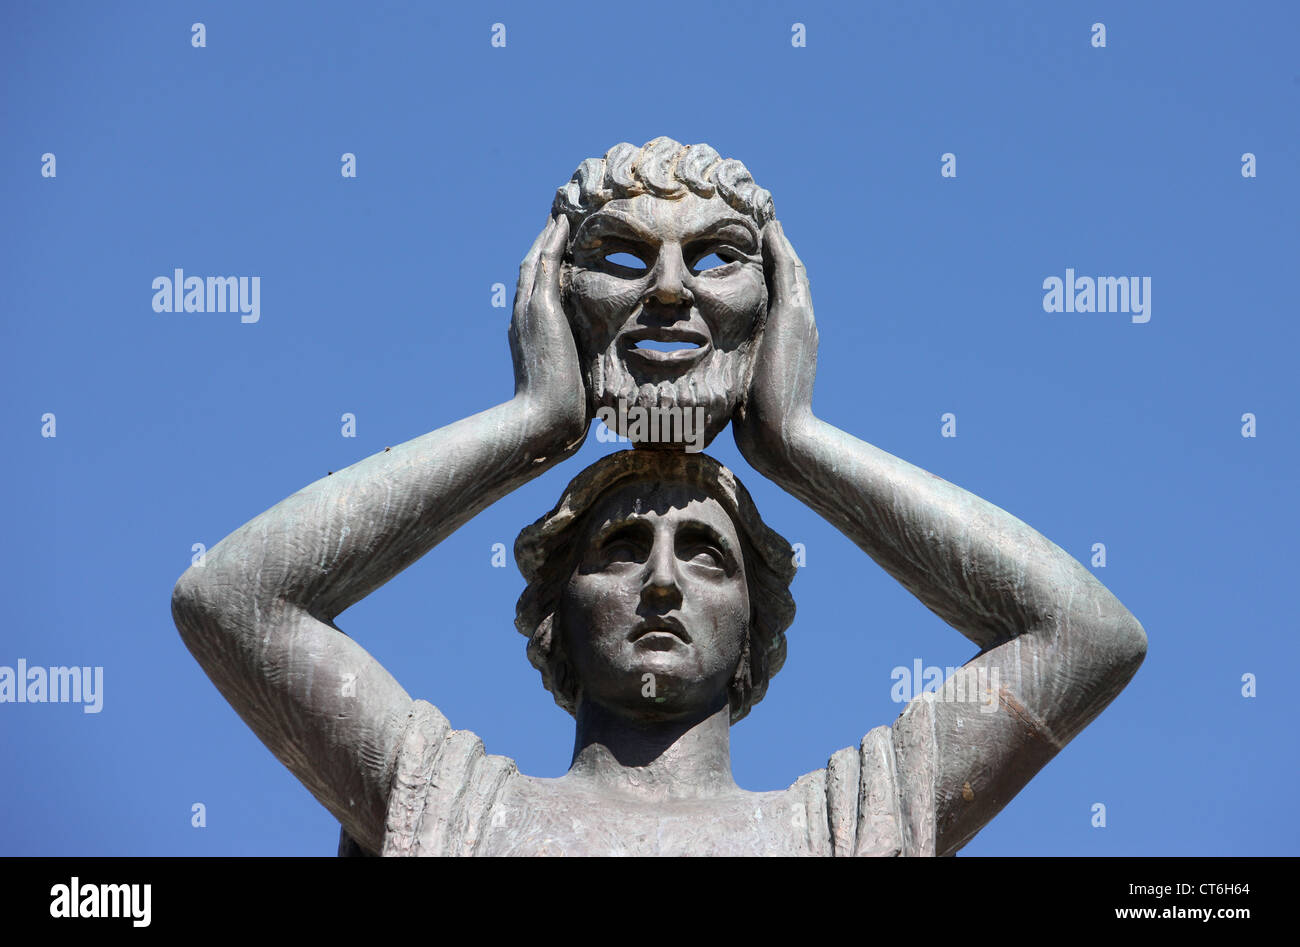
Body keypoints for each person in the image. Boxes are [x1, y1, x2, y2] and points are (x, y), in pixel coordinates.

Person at [171, 139, 1146, 856]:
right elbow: (234, 598)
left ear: (759, 622)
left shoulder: (846, 823)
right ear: (551, 613)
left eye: (708, 554)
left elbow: (1086, 634)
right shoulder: (448, 803)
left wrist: (796, 443)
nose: (663, 582)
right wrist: (536, 422)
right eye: (621, 548)